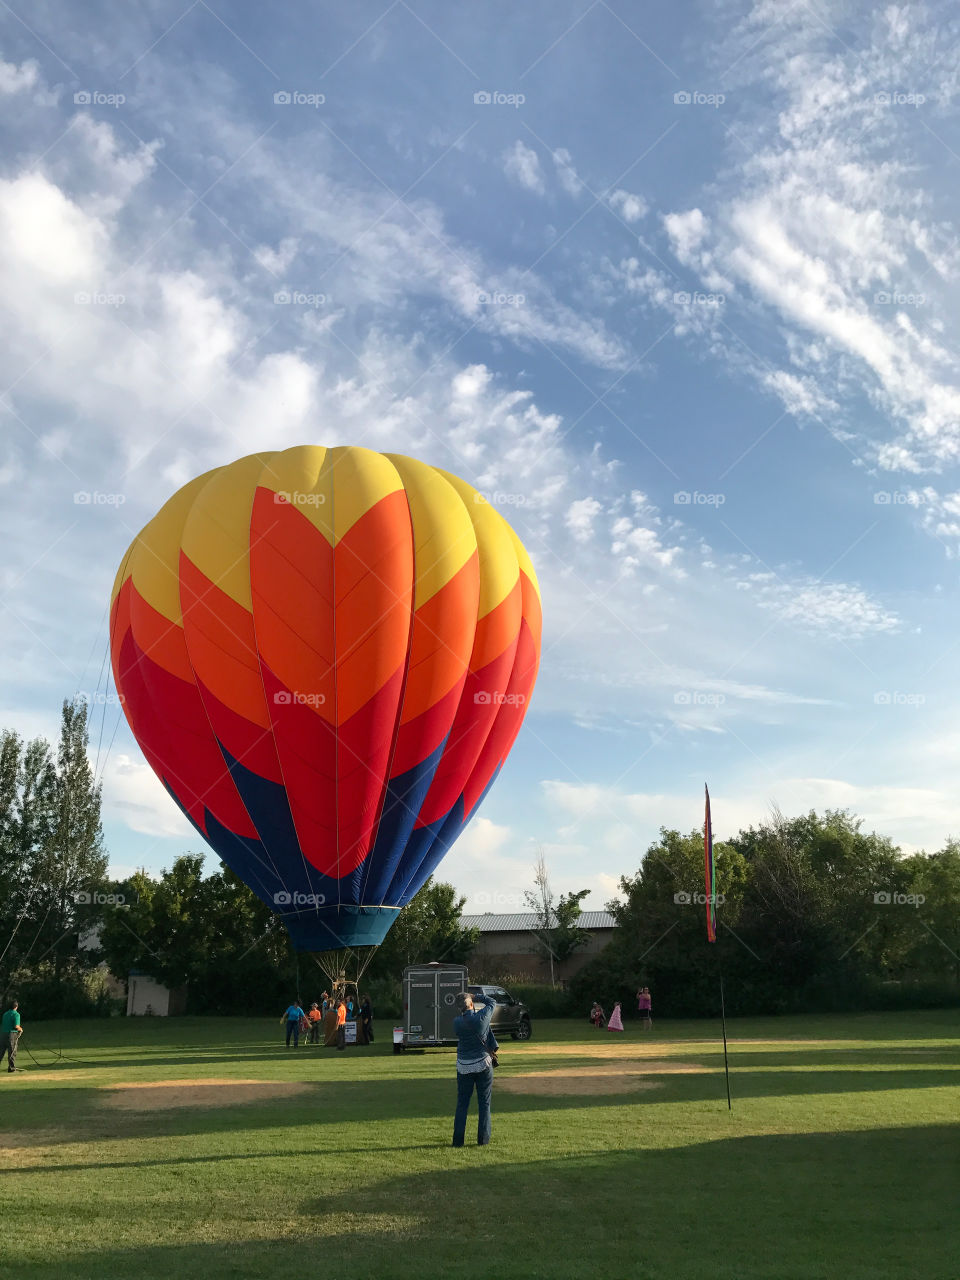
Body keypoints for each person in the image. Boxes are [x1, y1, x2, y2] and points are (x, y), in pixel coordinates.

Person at [451, 990, 497, 1147]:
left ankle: (458, 1141)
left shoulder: (457, 1022)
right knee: (484, 1103)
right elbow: (492, 1002)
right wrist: (476, 996)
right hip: (483, 1063)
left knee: (462, 1103)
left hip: (463, 1065)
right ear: (470, 1003)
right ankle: (483, 1140)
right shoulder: (481, 1018)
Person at [1, 1000, 22, 1073]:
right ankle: (11, 1068)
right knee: (12, 1051)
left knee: (1, 1052)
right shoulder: (16, 1014)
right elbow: (16, 1026)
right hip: (11, 1034)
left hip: (3, 1034)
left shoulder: (5, 1014)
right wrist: (21, 1029)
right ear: (16, 1006)